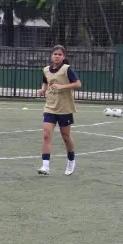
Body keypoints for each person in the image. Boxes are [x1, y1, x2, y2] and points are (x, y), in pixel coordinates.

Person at [37, 45, 82, 176]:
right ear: (51, 55)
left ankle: (71, 161)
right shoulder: (46, 70)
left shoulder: (67, 69)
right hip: (50, 107)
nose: (57, 56)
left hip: (65, 108)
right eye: (55, 54)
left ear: (63, 57)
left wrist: (62, 86)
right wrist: (42, 90)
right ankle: (45, 166)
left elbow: (78, 84)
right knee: (46, 135)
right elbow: (46, 82)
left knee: (66, 137)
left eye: (59, 54)